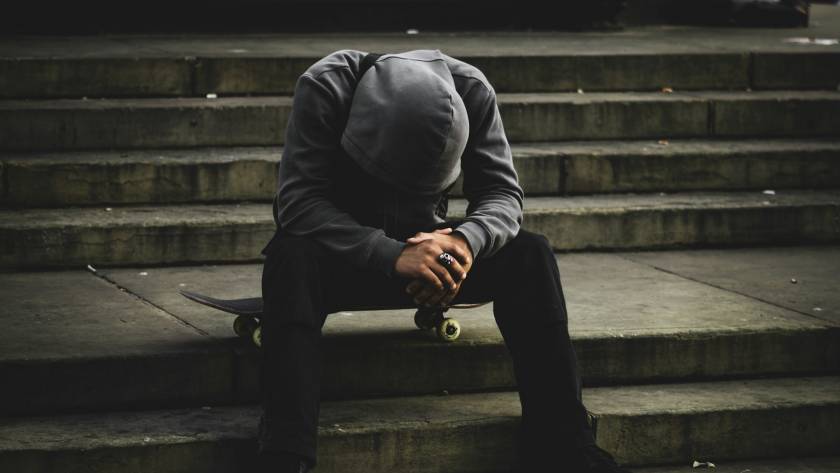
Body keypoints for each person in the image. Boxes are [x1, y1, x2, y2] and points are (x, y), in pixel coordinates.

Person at [259, 49, 631, 473]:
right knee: (291, 255)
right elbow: (297, 202)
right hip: (344, 255)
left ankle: (564, 444)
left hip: (435, 249)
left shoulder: (472, 90)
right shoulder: (326, 85)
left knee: (531, 254)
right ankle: (286, 454)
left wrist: (463, 243)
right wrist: (392, 253)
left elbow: (503, 195)